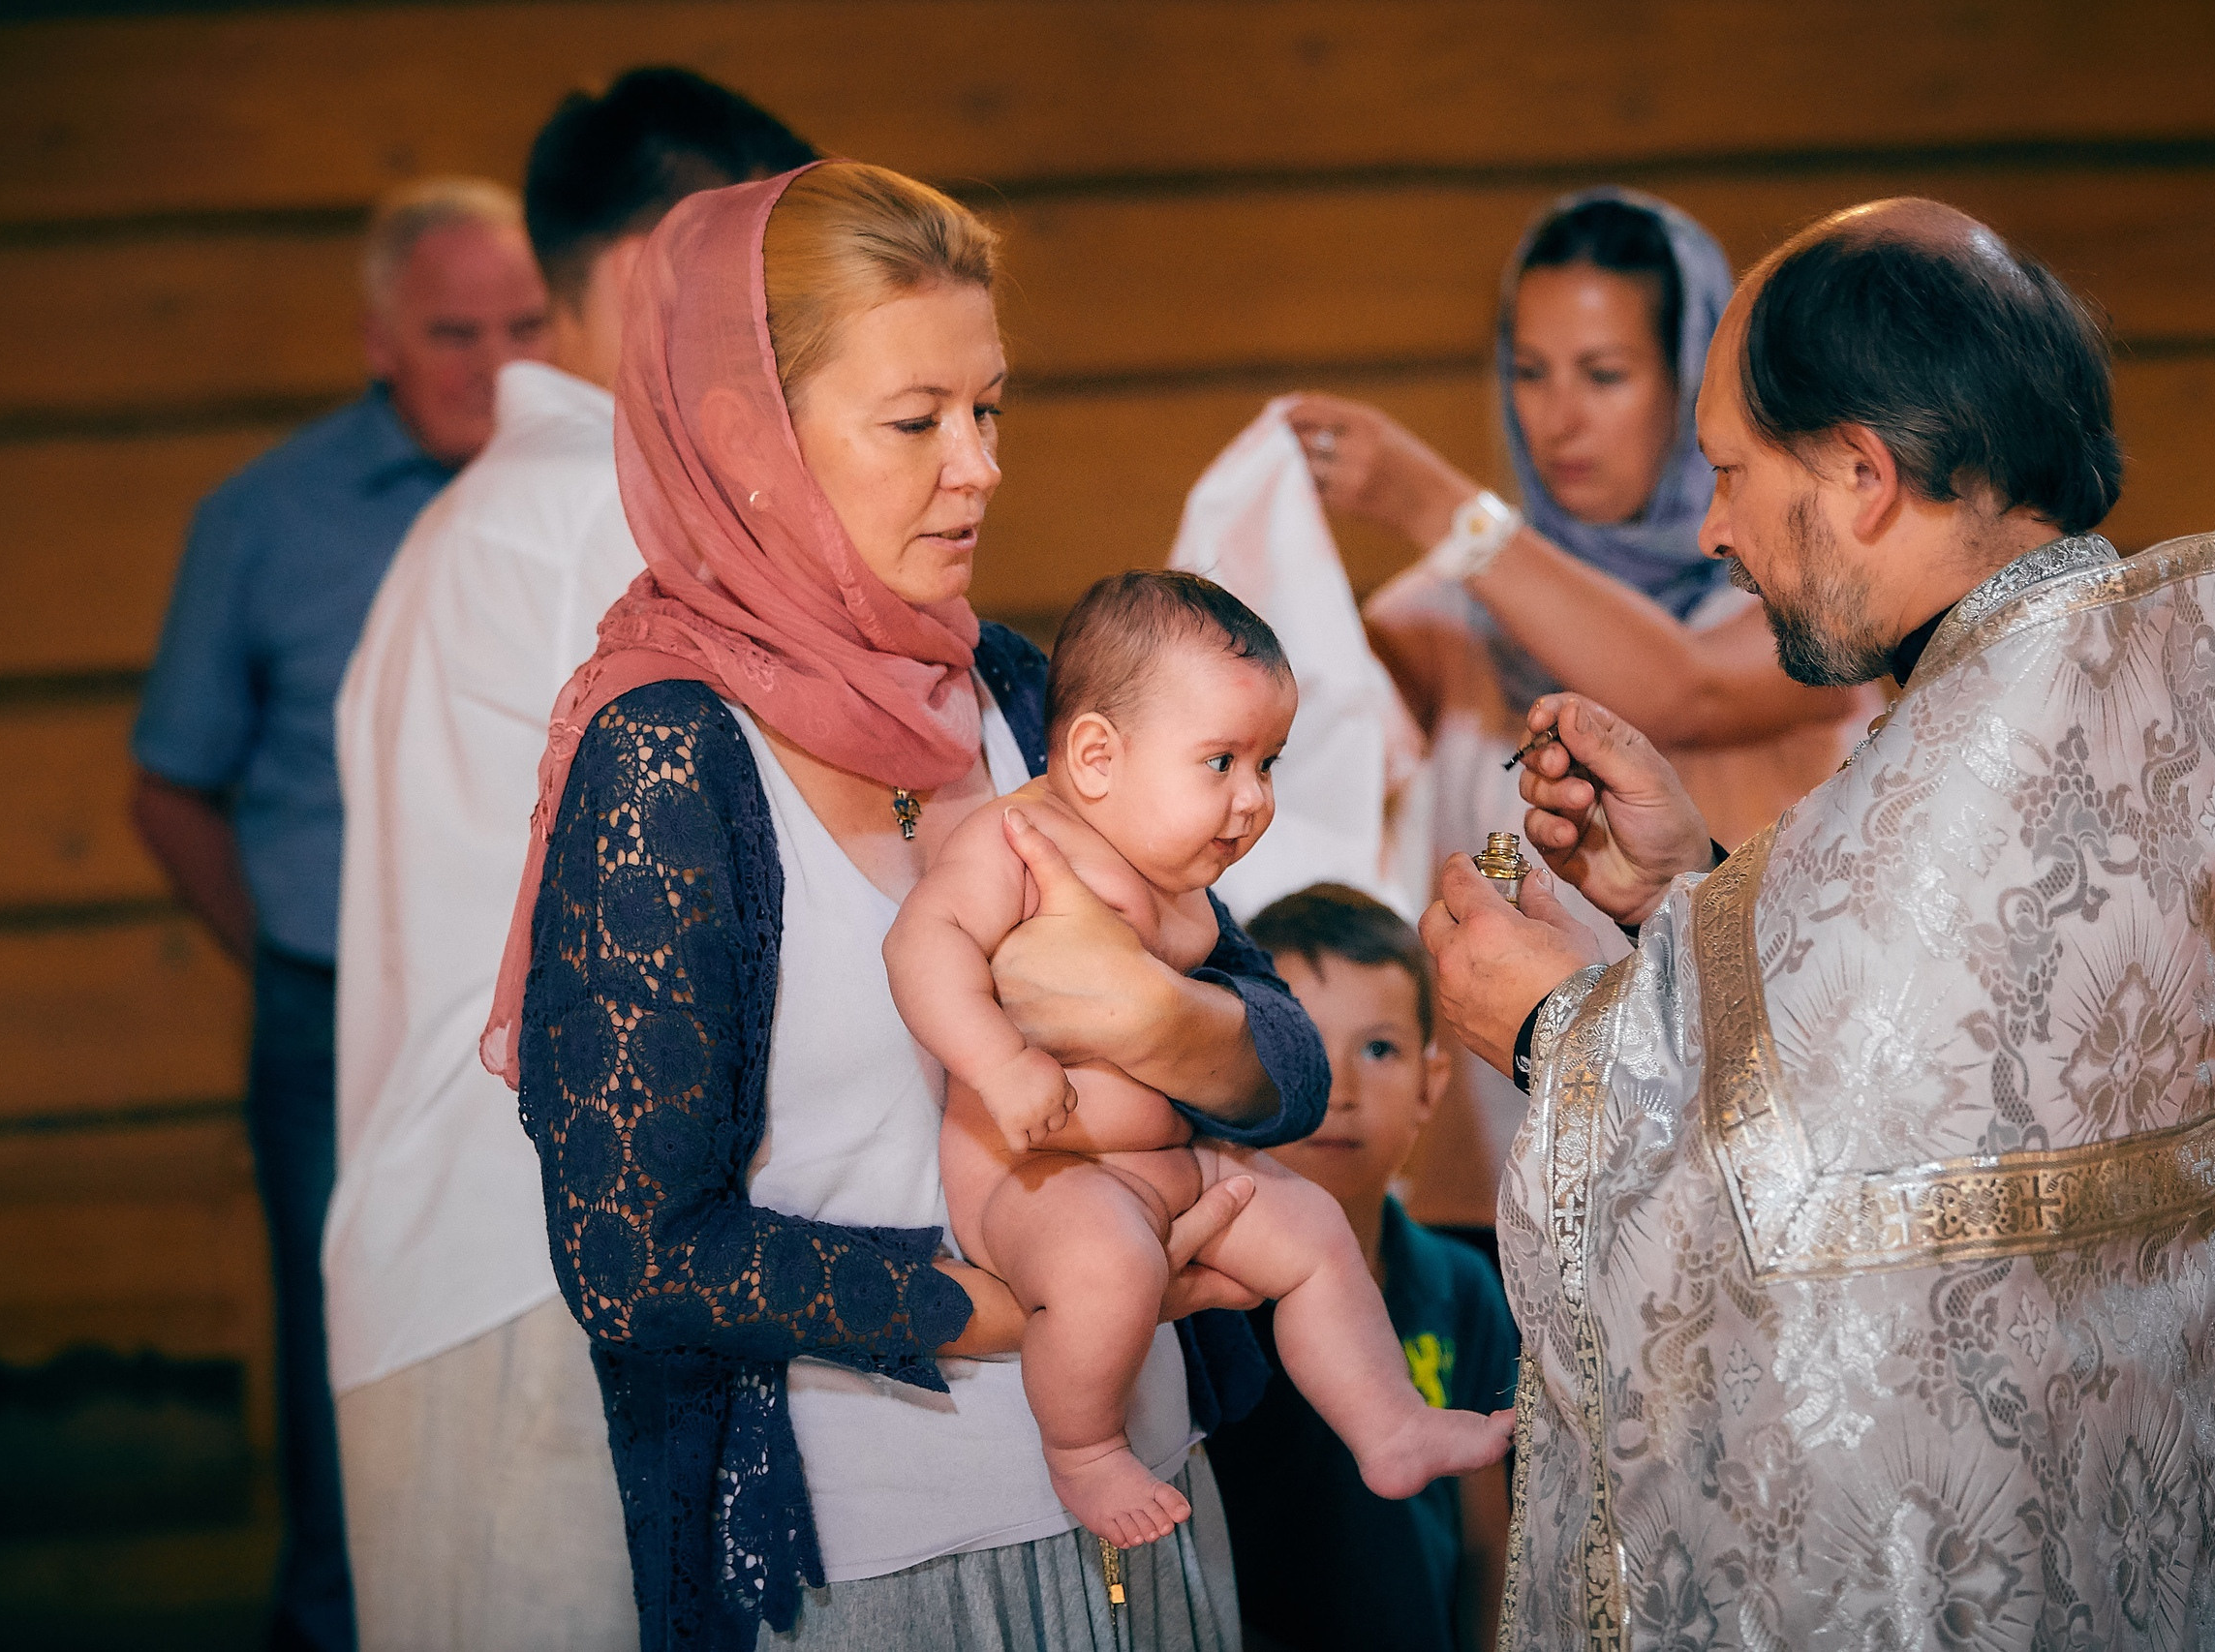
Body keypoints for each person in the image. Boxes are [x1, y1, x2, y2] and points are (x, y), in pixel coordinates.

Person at [1423, 199, 2215, 1645]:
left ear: (1859, 471)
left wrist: (1546, 1025)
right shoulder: (2133, 699)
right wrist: (1693, 894)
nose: (1713, 525)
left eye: (1729, 471)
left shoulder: (1967, 767)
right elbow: (1926, 1069)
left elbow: (1814, 1257)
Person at [486, 161, 1330, 1652]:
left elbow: (1286, 1059)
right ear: (749, 442)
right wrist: (1022, 1303)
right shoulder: (669, 754)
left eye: (989, 408)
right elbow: (629, 1250)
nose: (979, 466)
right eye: (916, 421)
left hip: (1151, 1489)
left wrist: (1166, 1019)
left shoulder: (1016, 686)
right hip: (867, 1562)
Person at [327, 71, 815, 1650]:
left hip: (482, 1255)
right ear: (658, 264)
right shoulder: (604, 513)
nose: (788, 325)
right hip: (537, 1276)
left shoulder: (493, 516)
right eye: (764, 267)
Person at [129, 175, 547, 1652]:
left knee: (548, 1361)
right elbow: (171, 783)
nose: (493, 365)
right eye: (451, 331)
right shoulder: (262, 519)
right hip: (330, 1013)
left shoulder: (594, 499)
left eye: (522, 325)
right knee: (344, 1370)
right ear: (378, 336)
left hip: (556, 1005)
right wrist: (305, 956)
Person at [1283, 191, 1881, 1221]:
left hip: (1738, 1186)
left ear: (1691, 381)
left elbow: (1675, 687)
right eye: (1529, 372)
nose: (1558, 417)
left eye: (1604, 375)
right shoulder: (1446, 619)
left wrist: (1438, 508)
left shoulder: (1800, 608)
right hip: (1496, 1197)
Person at [887, 570, 1511, 1547]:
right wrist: (998, 1059)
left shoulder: (1176, 878)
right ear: (1096, 755)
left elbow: (1276, 1041)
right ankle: (1085, 1448)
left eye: (1267, 762)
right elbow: (921, 948)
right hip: (1041, 1173)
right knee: (1104, 1266)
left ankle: (1385, 1422)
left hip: (1175, 1161)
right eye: (1220, 761)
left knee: (1309, 1227)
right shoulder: (1017, 836)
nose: (1253, 798)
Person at [1209, 883, 1516, 1652]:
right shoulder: (1206, 1295)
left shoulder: (1466, 1287)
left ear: (1428, 1086)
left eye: (1377, 1049)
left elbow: (1487, 1545)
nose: (1338, 1090)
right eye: (1300, 1049)